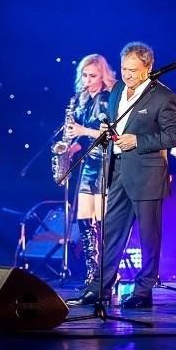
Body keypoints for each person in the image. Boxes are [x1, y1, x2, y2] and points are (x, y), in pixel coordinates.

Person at [67, 41, 176, 309]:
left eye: (133, 70)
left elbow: (174, 136)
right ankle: (99, 289)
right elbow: (114, 122)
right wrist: (107, 130)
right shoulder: (118, 89)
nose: (127, 75)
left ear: (148, 68)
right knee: (111, 232)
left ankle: (143, 291)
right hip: (118, 170)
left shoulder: (163, 96)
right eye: (124, 69)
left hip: (147, 174)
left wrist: (138, 141)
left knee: (148, 236)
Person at [64, 54, 116, 286]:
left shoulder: (107, 99)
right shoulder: (83, 100)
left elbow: (110, 135)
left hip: (105, 162)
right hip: (88, 164)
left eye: (93, 76)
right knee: (84, 219)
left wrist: (82, 131)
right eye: (84, 75)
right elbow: (84, 137)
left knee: (102, 220)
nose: (87, 81)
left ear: (102, 76)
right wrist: (73, 146)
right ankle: (92, 274)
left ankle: (108, 273)